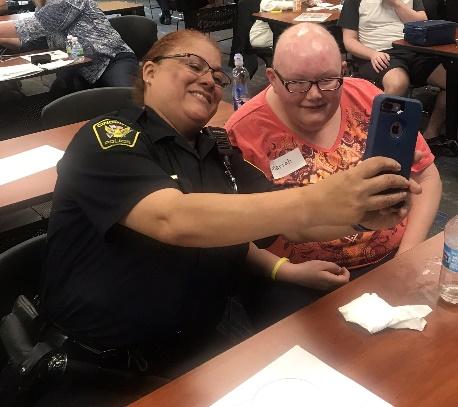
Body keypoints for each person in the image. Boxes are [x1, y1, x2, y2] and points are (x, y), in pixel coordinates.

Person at [31, 29, 418, 404]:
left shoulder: (220, 152)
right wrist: (322, 197)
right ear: (149, 72)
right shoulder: (108, 138)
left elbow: (290, 221)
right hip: (96, 369)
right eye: (194, 65)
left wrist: (363, 216)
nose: (209, 80)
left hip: (198, 354)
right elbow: (173, 219)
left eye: (217, 75)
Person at [225, 23, 441, 325]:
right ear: (272, 79)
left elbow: (428, 178)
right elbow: (231, 230)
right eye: (298, 83)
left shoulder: (367, 98)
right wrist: (287, 271)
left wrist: (406, 256)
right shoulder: (242, 132)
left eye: (327, 81)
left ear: (343, 71)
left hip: (394, 258)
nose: (314, 95)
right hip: (297, 277)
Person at [338, 0, 446, 144]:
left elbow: (422, 23)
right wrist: (372, 54)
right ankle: (374, 137)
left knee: (452, 81)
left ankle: (432, 132)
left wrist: (396, 4)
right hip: (378, 53)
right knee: (398, 83)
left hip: (414, 50)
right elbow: (349, 41)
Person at [0, 0, 137, 89]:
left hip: (110, 60)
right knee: (56, 101)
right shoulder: (42, 10)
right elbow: (27, 43)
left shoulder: (68, 1)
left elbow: (28, 26)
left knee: (128, 99)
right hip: (78, 67)